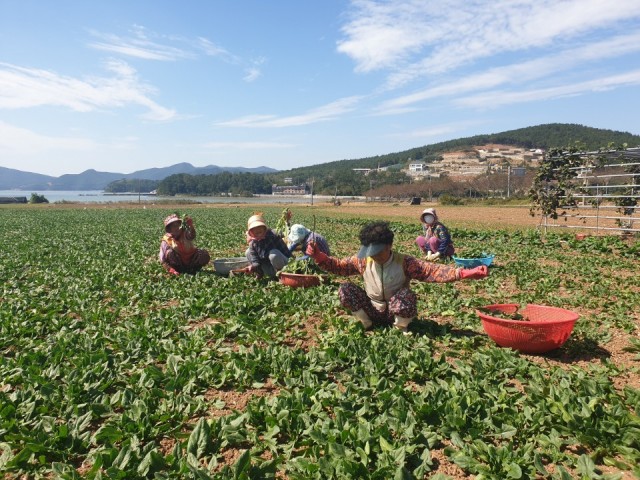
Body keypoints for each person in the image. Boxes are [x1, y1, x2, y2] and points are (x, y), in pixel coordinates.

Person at [305, 220, 487, 334]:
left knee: (406, 295)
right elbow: (338, 267)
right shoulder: (362, 261)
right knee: (345, 289)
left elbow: (432, 271)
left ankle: (400, 327)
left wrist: (464, 273)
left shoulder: (404, 262)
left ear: (389, 245)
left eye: (378, 251)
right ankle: (366, 324)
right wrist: (319, 256)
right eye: (371, 252)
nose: (374, 256)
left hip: (394, 309)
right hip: (371, 306)